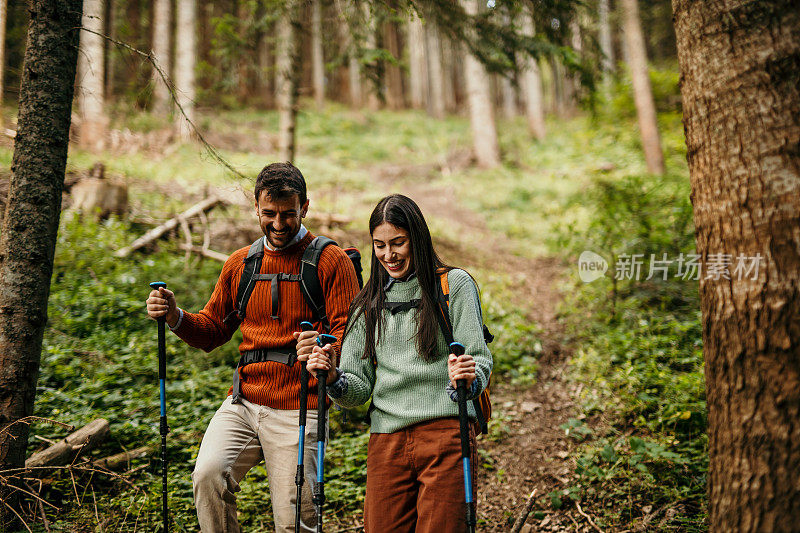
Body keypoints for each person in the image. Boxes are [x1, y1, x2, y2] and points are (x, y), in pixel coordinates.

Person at [145, 162, 360, 533]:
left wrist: (324, 349)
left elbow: (351, 336)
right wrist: (175, 316)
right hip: (243, 403)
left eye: (289, 214)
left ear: (304, 207)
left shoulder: (330, 261)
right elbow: (213, 330)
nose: (278, 224)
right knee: (208, 476)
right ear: (256, 208)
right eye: (270, 214)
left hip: (301, 405)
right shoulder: (240, 264)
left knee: (295, 520)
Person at [303, 193, 493, 533]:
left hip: (446, 434)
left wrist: (467, 376)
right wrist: (333, 377)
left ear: (416, 238)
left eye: (398, 243)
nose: (389, 255)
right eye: (379, 245)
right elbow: (358, 387)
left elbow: (479, 359)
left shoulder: (453, 286)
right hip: (386, 441)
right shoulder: (367, 303)